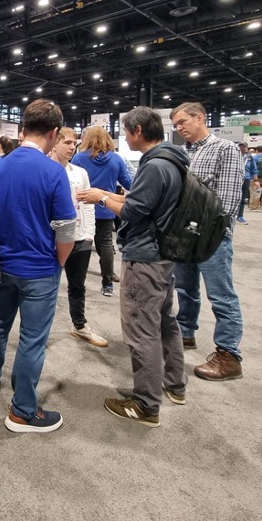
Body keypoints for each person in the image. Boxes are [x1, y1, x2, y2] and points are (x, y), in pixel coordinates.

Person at [84, 107, 188, 428]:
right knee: (165, 320)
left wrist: (102, 199)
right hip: (164, 253)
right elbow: (144, 204)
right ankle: (175, 383)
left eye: (127, 132)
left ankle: (145, 404)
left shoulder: (154, 165)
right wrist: (108, 194)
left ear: (139, 130)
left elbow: (133, 211)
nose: (125, 139)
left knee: (141, 328)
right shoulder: (172, 160)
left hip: (145, 258)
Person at [0, 100, 77, 435]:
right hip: (39, 268)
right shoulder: (53, 171)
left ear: (23, 129)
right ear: (54, 133)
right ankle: (23, 411)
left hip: (2, 265)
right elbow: (66, 228)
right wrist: (60, 262)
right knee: (32, 339)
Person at [169, 102, 245, 381]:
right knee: (185, 289)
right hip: (184, 235)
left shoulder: (225, 149)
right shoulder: (182, 152)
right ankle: (185, 333)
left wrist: (205, 231)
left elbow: (228, 202)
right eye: (175, 125)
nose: (179, 128)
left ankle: (229, 356)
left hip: (213, 238)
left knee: (221, 296)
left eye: (182, 122)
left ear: (199, 117)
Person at [50, 127, 105, 348]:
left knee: (77, 286)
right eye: (67, 143)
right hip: (52, 240)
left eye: (74, 143)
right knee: (47, 287)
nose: (72, 147)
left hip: (80, 237)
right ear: (54, 143)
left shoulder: (80, 173)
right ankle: (39, 331)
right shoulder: (45, 171)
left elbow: (88, 205)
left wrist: (89, 234)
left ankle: (80, 325)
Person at [72, 126, 133, 296]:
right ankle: (107, 284)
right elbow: (129, 184)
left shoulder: (79, 158)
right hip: (106, 209)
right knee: (106, 245)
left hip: (83, 209)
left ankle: (77, 283)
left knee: (80, 244)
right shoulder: (116, 159)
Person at [235, 141, 258, 225]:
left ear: (246, 148)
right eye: (240, 146)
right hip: (235, 179)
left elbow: (254, 169)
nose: (241, 148)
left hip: (246, 179)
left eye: (243, 146)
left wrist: (256, 180)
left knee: (242, 199)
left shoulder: (249, 157)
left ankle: (240, 216)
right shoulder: (234, 155)